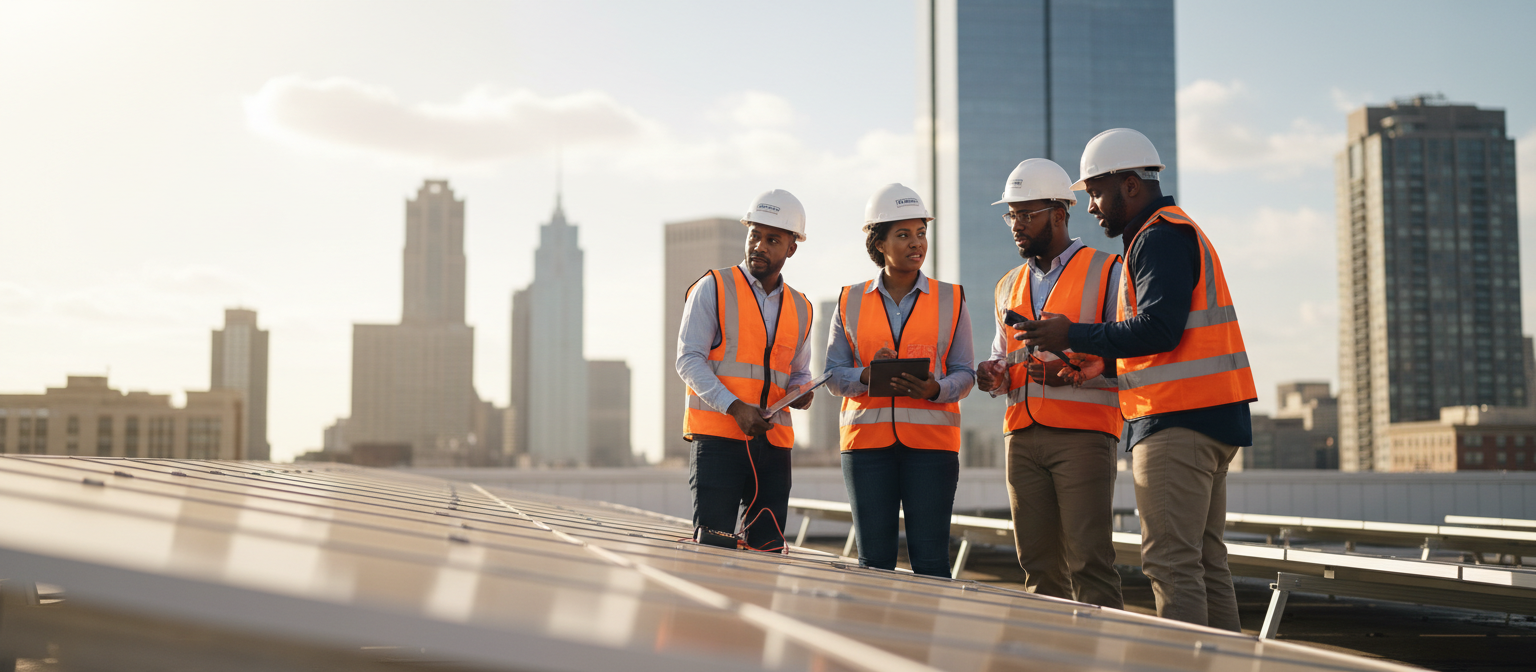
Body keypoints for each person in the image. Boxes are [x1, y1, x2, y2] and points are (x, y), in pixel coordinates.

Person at [1015, 128, 1256, 631]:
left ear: (1129, 184)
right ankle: (1224, 660)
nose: (1091, 207)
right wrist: (1106, 364)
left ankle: (1185, 663)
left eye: (1096, 192)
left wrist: (1070, 332)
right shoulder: (1175, 230)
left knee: (1170, 563)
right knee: (1205, 561)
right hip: (1213, 414)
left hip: (1178, 421)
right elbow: (1171, 336)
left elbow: (1159, 329)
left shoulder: (1156, 237)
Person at [974, 159, 1125, 608]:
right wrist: (992, 375)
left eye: (1026, 214)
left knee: (1089, 563)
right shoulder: (1007, 285)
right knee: (1038, 567)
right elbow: (1002, 355)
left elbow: (1130, 349)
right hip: (1021, 437)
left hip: (1083, 435)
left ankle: (1104, 646)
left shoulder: (1108, 271)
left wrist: (1079, 369)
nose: (1016, 225)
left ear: (1059, 214)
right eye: (1012, 215)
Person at [825, 183, 974, 578]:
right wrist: (866, 375)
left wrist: (936, 389)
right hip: (866, 449)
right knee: (873, 564)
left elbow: (966, 372)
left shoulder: (952, 298)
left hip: (932, 449)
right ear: (880, 243)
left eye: (921, 233)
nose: (916, 243)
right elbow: (832, 374)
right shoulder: (849, 300)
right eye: (903, 234)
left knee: (931, 563)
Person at [676, 188, 816, 552]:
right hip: (718, 442)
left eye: (772, 240)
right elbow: (688, 359)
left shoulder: (801, 307)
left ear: (791, 248)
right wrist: (735, 407)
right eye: (754, 235)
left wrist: (801, 392)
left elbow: (799, 372)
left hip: (774, 447)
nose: (759, 246)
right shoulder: (713, 288)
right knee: (713, 550)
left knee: (768, 551)